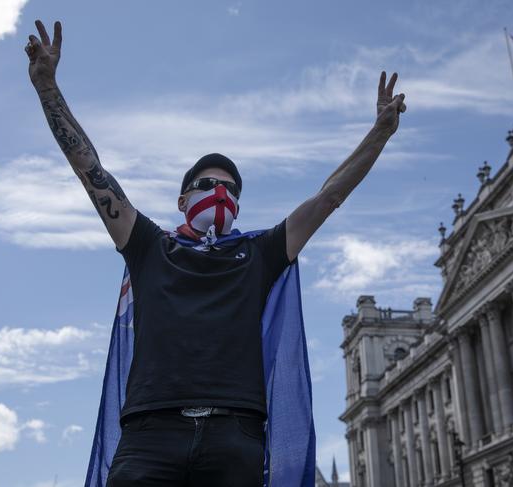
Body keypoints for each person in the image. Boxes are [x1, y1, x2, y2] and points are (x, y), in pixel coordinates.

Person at [25, 19, 406, 487]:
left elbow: (328, 197)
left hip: (235, 435)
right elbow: (90, 170)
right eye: (206, 185)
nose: (219, 192)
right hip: (150, 435)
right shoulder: (147, 245)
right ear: (182, 201)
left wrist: (380, 134)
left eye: (229, 189)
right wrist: (47, 88)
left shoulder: (259, 253)